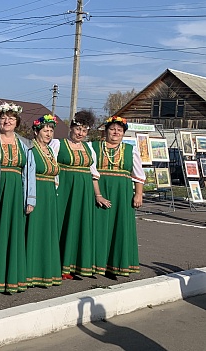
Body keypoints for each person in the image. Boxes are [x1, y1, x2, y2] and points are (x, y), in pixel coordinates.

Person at [0, 102, 36, 294]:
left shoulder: (25, 143)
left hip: (15, 193)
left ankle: (11, 278)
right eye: (4, 118)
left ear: (17, 122)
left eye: (11, 119)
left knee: (13, 233)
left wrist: (30, 198)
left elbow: (30, 171)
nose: (7, 121)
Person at [50, 110, 100, 279]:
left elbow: (94, 174)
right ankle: (57, 265)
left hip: (83, 193)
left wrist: (97, 195)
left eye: (84, 131)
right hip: (63, 190)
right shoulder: (58, 144)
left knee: (78, 225)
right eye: (78, 129)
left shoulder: (89, 148)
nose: (80, 133)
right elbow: (51, 167)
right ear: (71, 128)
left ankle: (73, 265)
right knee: (61, 225)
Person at [92, 116, 144, 277]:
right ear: (106, 131)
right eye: (112, 129)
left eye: (119, 130)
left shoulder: (130, 150)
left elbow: (138, 174)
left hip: (122, 194)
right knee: (98, 226)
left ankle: (116, 265)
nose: (115, 132)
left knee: (119, 227)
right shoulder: (93, 147)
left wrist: (138, 194)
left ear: (123, 134)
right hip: (99, 189)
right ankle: (95, 264)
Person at [25, 115, 62, 288]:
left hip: (49, 194)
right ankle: (31, 272)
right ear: (36, 131)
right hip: (36, 191)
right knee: (35, 231)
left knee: (47, 233)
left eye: (51, 130)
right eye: (45, 130)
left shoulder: (51, 150)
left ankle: (47, 271)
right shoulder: (30, 149)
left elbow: (56, 175)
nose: (48, 133)